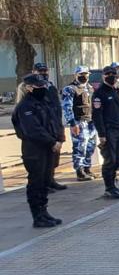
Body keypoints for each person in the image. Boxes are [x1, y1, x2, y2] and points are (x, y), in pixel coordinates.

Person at [12, 74, 64, 228]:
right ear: (29, 88)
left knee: (45, 182)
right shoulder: (25, 107)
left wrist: (59, 139)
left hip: (48, 148)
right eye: (38, 87)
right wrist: (51, 141)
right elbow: (33, 130)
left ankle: (44, 212)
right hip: (34, 150)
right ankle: (37, 216)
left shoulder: (43, 102)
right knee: (36, 182)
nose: (42, 89)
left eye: (43, 86)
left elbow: (54, 121)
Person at [92, 64, 119, 200]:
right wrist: (101, 134)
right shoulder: (99, 94)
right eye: (108, 74)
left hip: (118, 129)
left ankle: (114, 185)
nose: (111, 76)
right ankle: (109, 188)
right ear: (103, 76)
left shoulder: (115, 90)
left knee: (118, 159)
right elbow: (97, 115)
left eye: (113, 74)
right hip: (108, 131)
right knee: (110, 160)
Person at [31, 62, 67, 192]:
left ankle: (50, 180)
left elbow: (57, 107)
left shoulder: (51, 87)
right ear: (34, 72)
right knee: (42, 158)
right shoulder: (29, 88)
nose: (43, 74)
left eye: (45, 71)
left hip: (54, 125)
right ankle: (42, 184)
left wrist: (59, 129)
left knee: (53, 157)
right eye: (40, 71)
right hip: (42, 127)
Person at [61, 65, 98, 181]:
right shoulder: (70, 89)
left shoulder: (90, 88)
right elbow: (67, 107)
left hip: (91, 122)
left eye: (86, 74)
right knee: (80, 147)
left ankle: (87, 168)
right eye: (81, 75)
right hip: (79, 122)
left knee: (90, 147)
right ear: (75, 75)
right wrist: (72, 123)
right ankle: (79, 171)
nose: (84, 77)